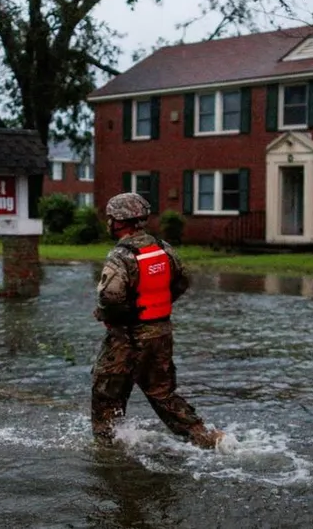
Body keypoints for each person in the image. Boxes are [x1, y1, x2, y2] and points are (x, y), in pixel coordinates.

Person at [90, 192, 223, 449]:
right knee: (162, 393)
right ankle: (205, 437)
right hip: (161, 332)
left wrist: (107, 316)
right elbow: (182, 280)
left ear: (118, 221)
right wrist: (156, 306)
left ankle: (108, 448)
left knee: (106, 391)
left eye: (109, 218)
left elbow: (110, 295)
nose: (108, 223)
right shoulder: (163, 247)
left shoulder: (121, 255)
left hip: (127, 337)